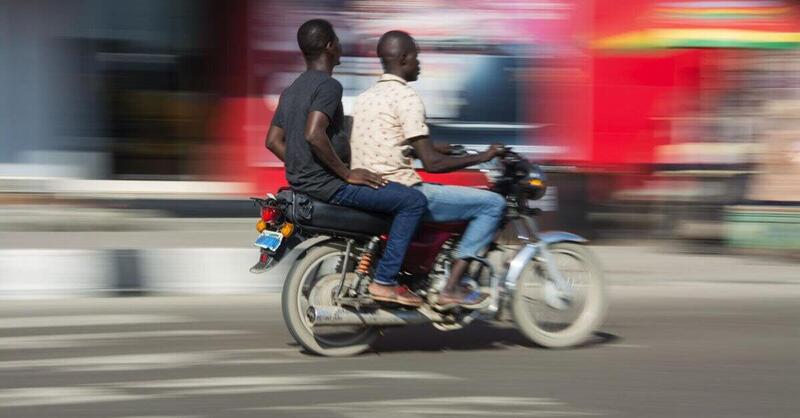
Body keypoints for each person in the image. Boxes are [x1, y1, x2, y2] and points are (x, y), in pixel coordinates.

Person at [265, 20, 427, 307]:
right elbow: (314, 134)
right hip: (331, 187)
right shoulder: (328, 86)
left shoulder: (291, 90)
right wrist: (346, 173)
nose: (340, 46)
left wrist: (302, 165)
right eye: (337, 40)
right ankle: (385, 282)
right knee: (412, 201)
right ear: (329, 45)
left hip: (304, 185)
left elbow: (273, 141)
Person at [349, 30, 506, 308]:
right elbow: (433, 165)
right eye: (417, 58)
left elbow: (388, 142)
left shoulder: (366, 97)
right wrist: (483, 157)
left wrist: (434, 147)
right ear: (404, 58)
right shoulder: (407, 98)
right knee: (492, 203)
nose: (420, 64)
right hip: (401, 188)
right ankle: (452, 287)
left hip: (369, 188)